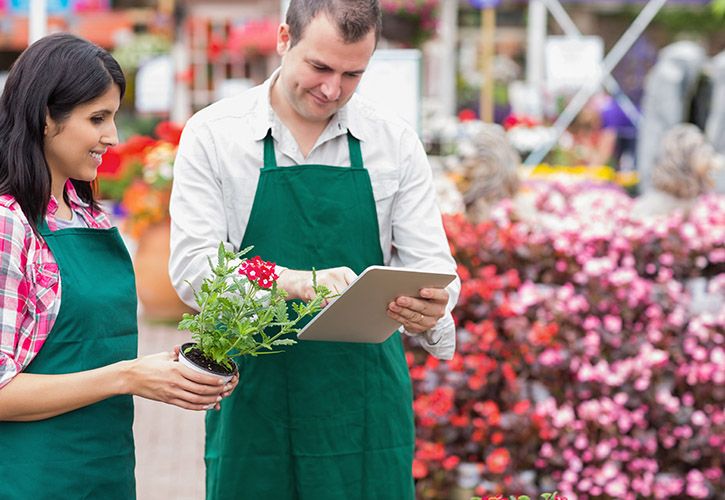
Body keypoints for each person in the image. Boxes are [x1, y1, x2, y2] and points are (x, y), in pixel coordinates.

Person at [169, 1, 460, 498]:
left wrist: (432, 306)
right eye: (320, 67)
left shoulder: (393, 142)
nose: (332, 89)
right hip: (254, 400)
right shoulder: (215, 135)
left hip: (364, 406)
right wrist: (295, 281)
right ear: (285, 39)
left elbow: (432, 270)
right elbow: (199, 269)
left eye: (353, 74)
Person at [0, 33, 237, 500]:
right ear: (47, 118)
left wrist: (171, 372)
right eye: (97, 118)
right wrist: (128, 376)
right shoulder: (9, 223)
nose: (113, 136)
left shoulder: (89, 216)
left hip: (106, 473)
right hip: (31, 479)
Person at [631, 123, 723, 219]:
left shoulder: (703, 203)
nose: (707, 151)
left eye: (702, 145)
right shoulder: (656, 205)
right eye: (694, 149)